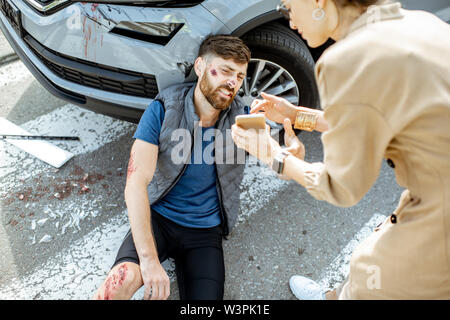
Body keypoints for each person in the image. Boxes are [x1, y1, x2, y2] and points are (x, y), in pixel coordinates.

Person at [231, 0, 450, 299]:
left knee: (370, 279)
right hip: (437, 192)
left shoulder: (346, 59)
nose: (290, 20)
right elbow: (369, 118)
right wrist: (295, 115)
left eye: (287, 7)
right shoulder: (423, 24)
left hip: (437, 221)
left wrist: (273, 155)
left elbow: (341, 186)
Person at [92, 35, 252, 300]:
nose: (232, 83)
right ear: (200, 67)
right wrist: (149, 260)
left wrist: (290, 132)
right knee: (117, 285)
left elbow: (281, 154)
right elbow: (135, 183)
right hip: (160, 218)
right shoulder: (165, 108)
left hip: (205, 230)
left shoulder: (243, 117)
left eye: (239, 76)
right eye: (225, 71)